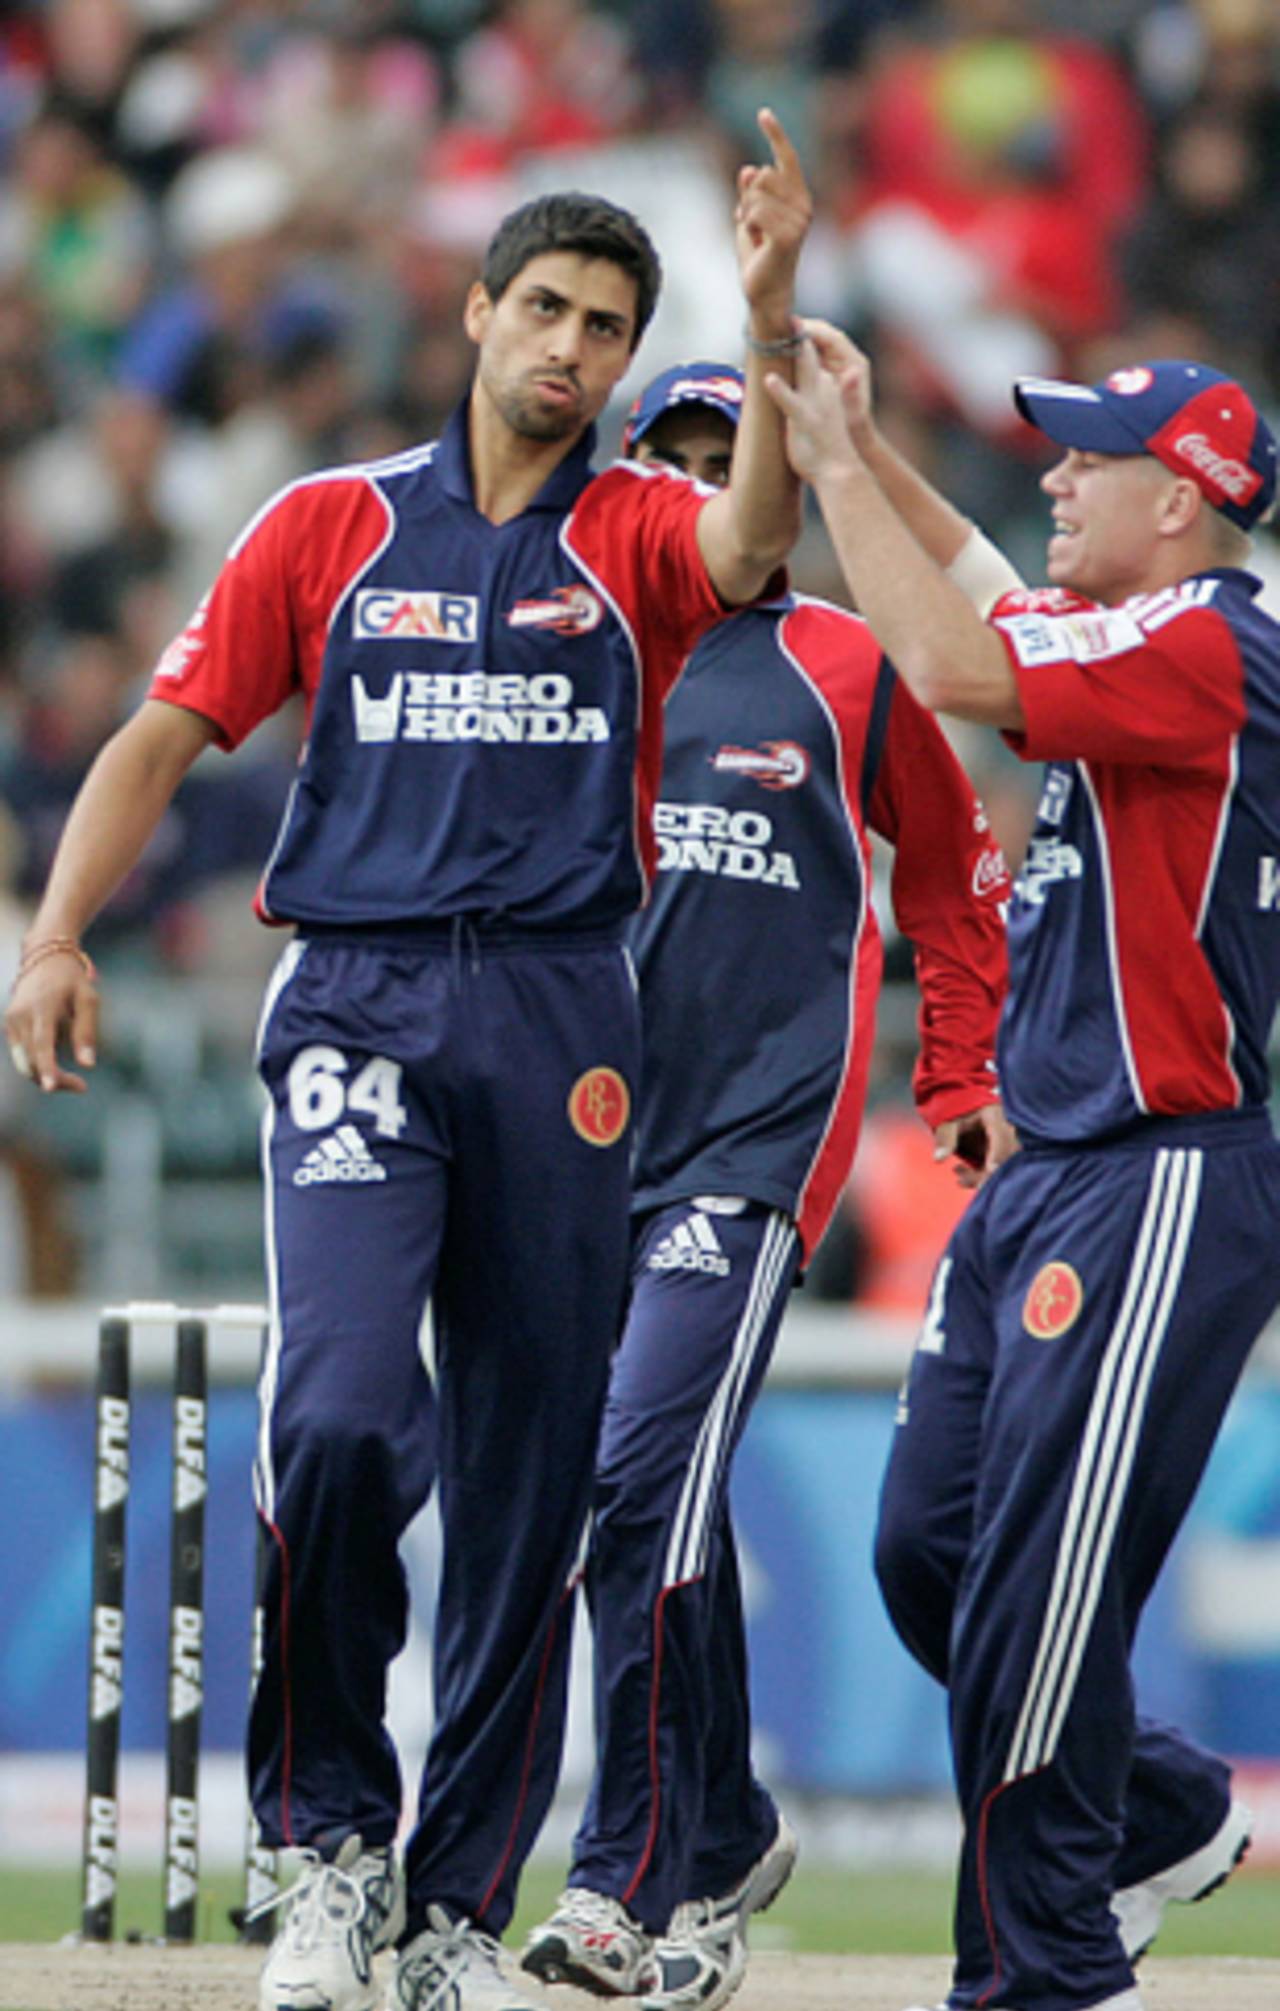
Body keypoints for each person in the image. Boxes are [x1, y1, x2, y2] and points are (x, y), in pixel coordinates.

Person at [3, 112, 813, 2011]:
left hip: (560, 1020)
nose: (573, 349)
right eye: (545, 307)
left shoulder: (634, 535)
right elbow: (159, 734)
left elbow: (756, 537)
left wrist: (766, 327)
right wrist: (55, 933)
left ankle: (447, 1909)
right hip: (360, 1002)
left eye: (611, 327)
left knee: (535, 1483)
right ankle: (322, 1858)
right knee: (346, 1418)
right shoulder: (329, 523)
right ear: (472, 310)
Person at [767, 330, 1280, 2011]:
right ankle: (1167, 1815)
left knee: (1041, 1593)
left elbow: (962, 669)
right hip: (1050, 1164)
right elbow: (993, 597)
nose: (1053, 477)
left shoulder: (1218, 647)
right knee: (934, 1554)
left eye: (1088, 458)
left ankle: (1040, 1976)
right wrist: (855, 435)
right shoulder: (1155, 631)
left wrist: (834, 474)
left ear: (1187, 501)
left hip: (1164, 1170)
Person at [520, 358, 1015, 2011]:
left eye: (734, 458)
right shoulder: (578, 646)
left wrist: (954, 1081)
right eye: (675, 454)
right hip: (580, 1149)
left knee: (636, 1486)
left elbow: (956, 886)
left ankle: (625, 1877)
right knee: (655, 1507)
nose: (702, 481)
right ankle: (723, 1828)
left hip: (753, 1150)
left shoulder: (848, 665)